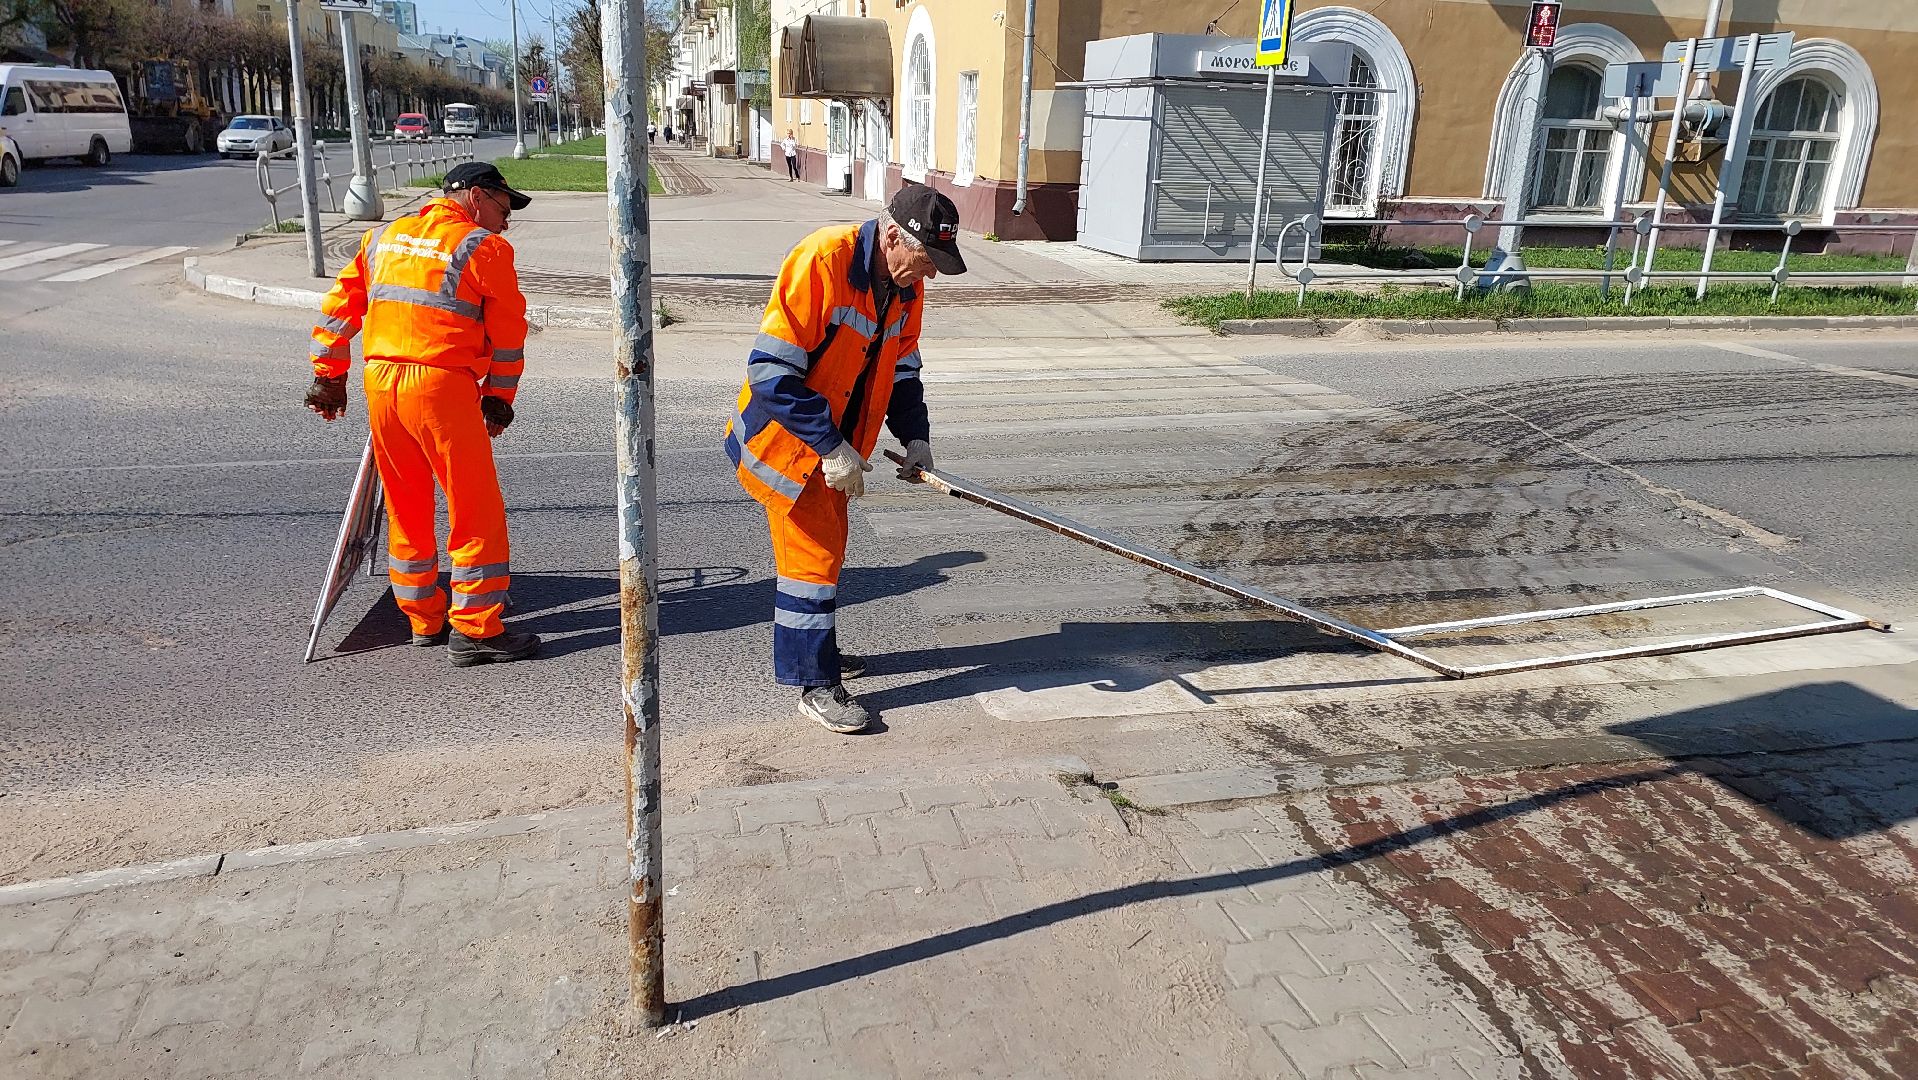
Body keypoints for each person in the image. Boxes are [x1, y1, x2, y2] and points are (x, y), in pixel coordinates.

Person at [725, 182, 965, 733]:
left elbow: (903, 369)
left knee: (825, 557)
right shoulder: (823, 261)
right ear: (892, 237)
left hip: (835, 448)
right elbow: (770, 375)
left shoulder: (904, 286)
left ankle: (819, 654)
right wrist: (831, 447)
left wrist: (916, 437)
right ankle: (813, 681)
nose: (928, 274)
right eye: (926, 259)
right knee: (809, 565)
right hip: (790, 447)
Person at [303, 162, 541, 668]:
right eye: (502, 208)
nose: (505, 222)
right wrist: (499, 397)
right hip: (440, 385)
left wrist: (329, 374)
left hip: (382, 382)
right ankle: (476, 628)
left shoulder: (381, 238)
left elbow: (339, 307)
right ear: (477, 197)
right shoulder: (484, 248)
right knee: (473, 506)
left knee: (406, 500)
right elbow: (507, 337)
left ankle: (423, 617)